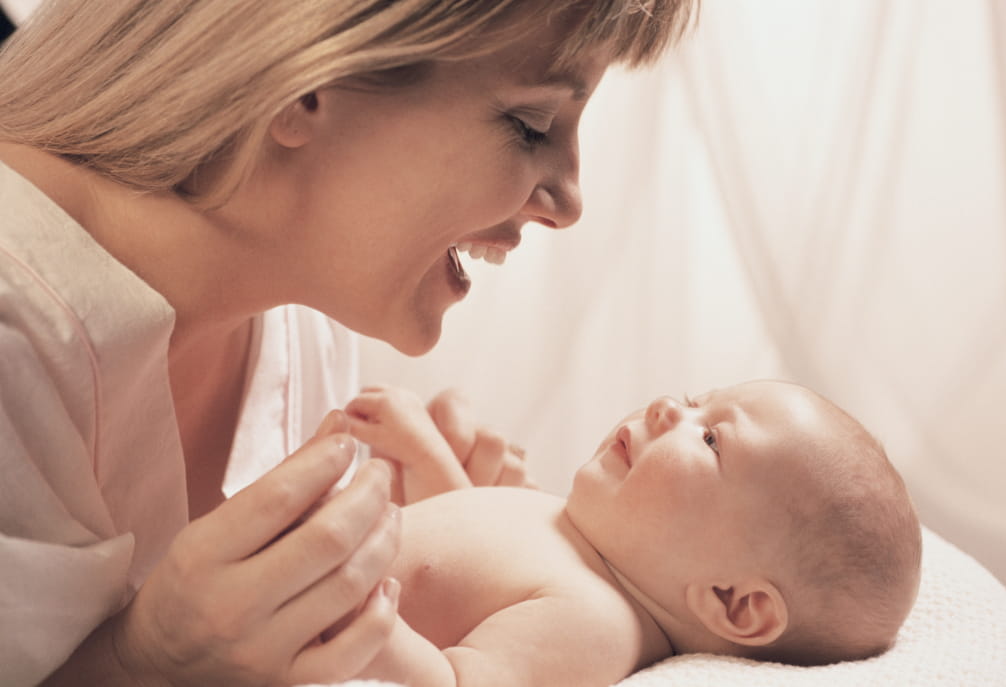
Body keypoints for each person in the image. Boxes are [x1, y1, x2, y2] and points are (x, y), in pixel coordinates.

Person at [0, 1, 696, 685]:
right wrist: (139, 664)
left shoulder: (299, 319)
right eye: (531, 124)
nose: (569, 203)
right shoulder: (17, 334)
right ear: (302, 85)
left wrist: (444, 569)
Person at [339, 379, 924, 685]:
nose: (669, 406)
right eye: (699, 401)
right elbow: (466, 554)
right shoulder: (577, 535)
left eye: (712, 440)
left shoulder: (593, 621)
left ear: (733, 603)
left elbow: (460, 678)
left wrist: (371, 624)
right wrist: (425, 455)